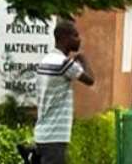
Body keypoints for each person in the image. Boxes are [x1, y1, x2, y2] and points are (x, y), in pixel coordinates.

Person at [33, 20, 95, 164]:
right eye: (75, 36)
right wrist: (83, 59)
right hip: (55, 136)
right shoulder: (64, 64)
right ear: (64, 38)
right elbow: (90, 79)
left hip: (42, 134)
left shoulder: (46, 60)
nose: (79, 39)